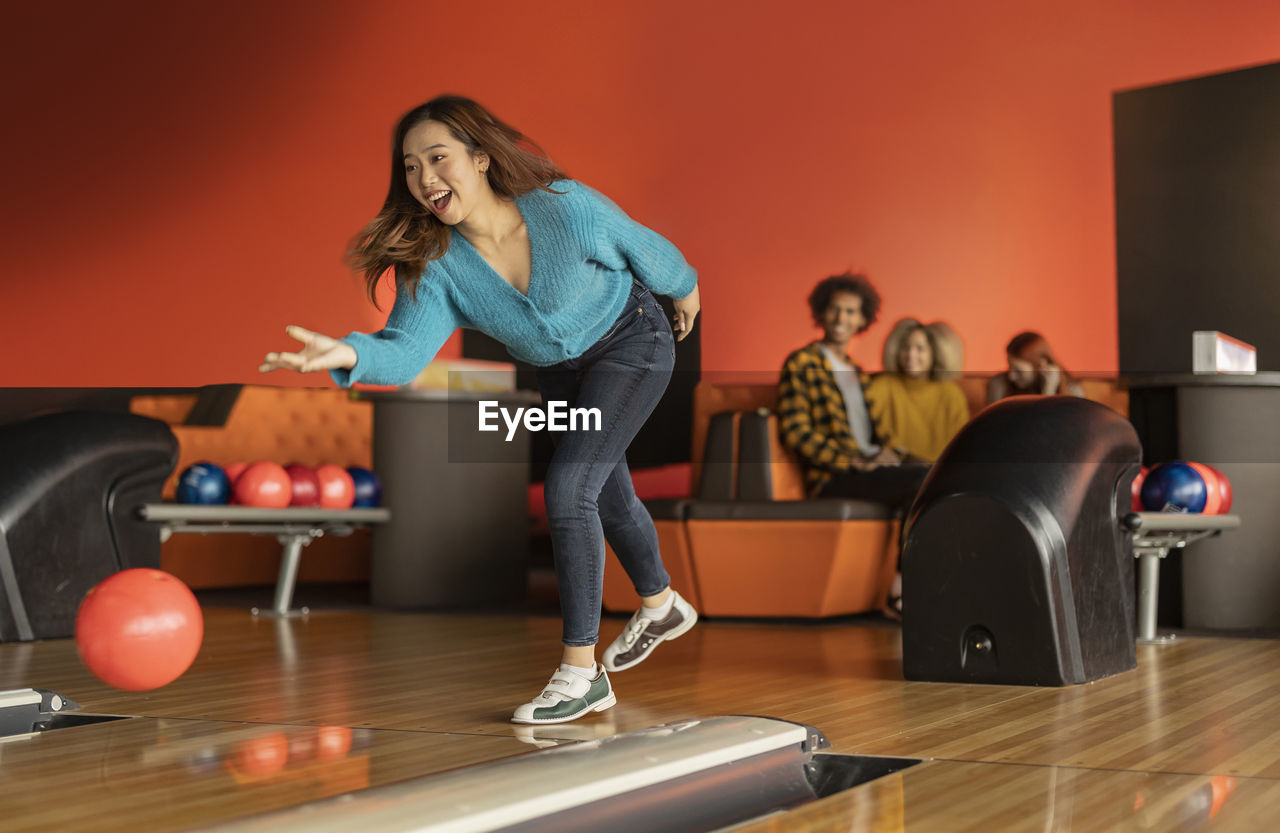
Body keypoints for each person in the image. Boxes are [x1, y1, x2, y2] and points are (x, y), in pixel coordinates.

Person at [259, 95, 701, 725]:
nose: (424, 179)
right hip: (560, 373)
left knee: (572, 485)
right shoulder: (437, 265)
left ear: (482, 158)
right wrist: (350, 354)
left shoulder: (564, 207)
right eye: (410, 168)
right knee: (604, 490)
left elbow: (645, 248)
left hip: (633, 343)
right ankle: (661, 606)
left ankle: (582, 672)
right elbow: (406, 353)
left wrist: (686, 289)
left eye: (438, 159)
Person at [777, 273, 931, 616]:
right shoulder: (802, 363)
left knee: (935, 475)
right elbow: (796, 432)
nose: (841, 318)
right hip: (834, 476)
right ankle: (900, 593)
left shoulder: (858, 373)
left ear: (863, 319)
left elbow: (874, 439)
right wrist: (854, 463)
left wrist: (897, 456)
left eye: (850, 312)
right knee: (920, 481)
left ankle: (935, 585)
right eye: (834, 310)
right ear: (821, 313)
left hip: (869, 467)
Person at [864, 318, 970, 464]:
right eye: (906, 348)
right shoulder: (882, 385)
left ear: (935, 354)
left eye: (920, 348)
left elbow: (962, 444)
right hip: (896, 466)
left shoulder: (951, 393)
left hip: (940, 471)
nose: (911, 355)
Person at [986, 331, 1084, 403]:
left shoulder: (1072, 391)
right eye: (1009, 367)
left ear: (1041, 367)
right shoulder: (999, 383)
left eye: (1018, 371)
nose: (1011, 376)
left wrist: (1048, 390)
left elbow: (1047, 428)